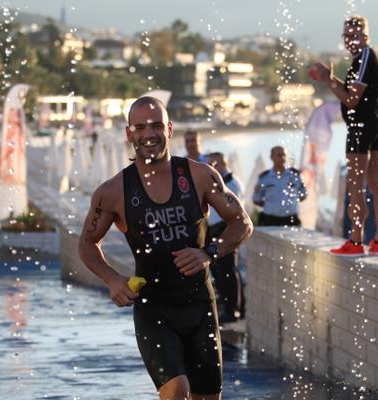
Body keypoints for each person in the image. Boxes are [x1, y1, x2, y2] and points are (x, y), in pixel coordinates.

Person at [78, 96, 253, 400]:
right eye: (140, 127)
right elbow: (87, 244)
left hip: (200, 305)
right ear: (129, 133)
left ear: (169, 129)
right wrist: (113, 279)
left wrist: (209, 253)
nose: (149, 134)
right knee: (177, 391)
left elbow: (242, 222)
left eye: (157, 125)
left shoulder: (199, 175)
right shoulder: (113, 191)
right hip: (154, 308)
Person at [311, 16, 378, 256]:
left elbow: (351, 99)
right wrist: (332, 79)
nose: (349, 40)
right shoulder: (367, 57)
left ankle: (356, 241)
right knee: (374, 181)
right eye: (346, 35)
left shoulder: (365, 58)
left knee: (356, 185)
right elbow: (353, 93)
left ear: (366, 36)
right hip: (375, 123)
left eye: (354, 35)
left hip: (361, 127)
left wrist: (328, 81)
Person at [207, 151, 245, 323]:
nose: (211, 167)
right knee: (219, 271)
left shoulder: (231, 183)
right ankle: (232, 307)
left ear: (223, 163)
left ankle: (232, 310)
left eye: (214, 164)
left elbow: (236, 212)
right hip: (214, 229)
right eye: (209, 164)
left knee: (228, 270)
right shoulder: (214, 182)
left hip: (226, 228)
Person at [253, 146, 307, 227]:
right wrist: (272, 205)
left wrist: (291, 203)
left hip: (291, 220)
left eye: (284, 155)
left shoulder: (295, 175)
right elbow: (257, 199)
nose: (282, 158)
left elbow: (303, 194)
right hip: (270, 220)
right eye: (279, 155)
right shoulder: (264, 178)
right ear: (272, 157)